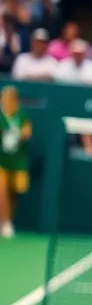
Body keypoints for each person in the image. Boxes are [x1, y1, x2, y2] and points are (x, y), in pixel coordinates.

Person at [0, 86, 32, 239]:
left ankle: (8, 221)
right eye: (4, 98)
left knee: (13, 193)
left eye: (9, 98)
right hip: (1, 161)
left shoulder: (21, 116)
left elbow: (27, 133)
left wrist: (17, 133)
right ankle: (5, 222)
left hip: (18, 162)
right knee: (2, 190)